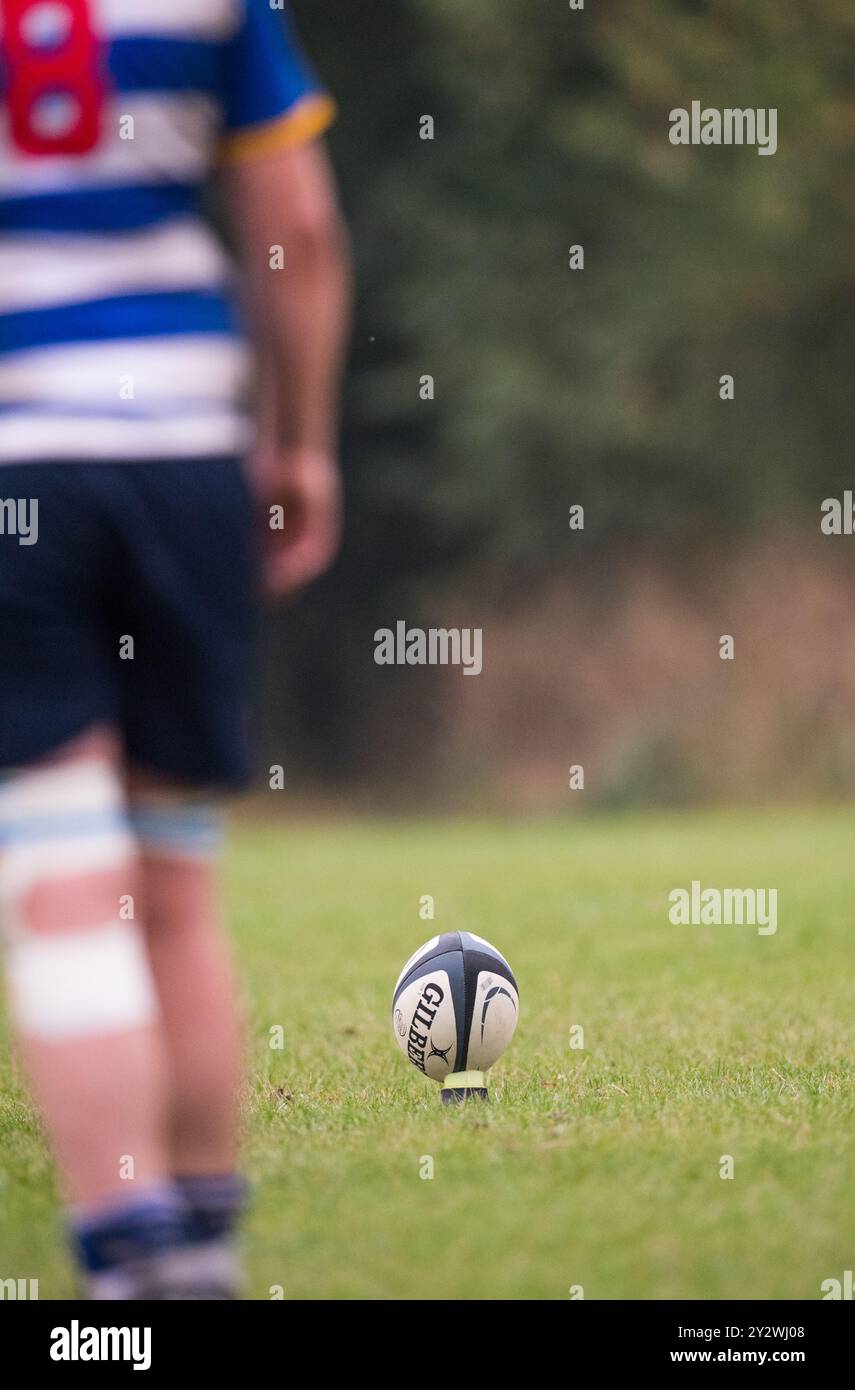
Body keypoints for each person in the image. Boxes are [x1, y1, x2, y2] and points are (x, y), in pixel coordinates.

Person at [0, 0, 351, 1300]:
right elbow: (297, 231)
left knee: (63, 886)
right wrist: (299, 438)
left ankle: (126, 1263)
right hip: (182, 447)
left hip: (18, 467)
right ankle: (200, 1258)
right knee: (176, 886)